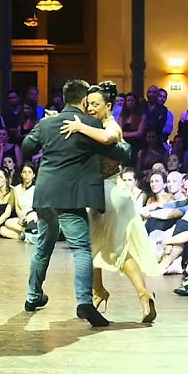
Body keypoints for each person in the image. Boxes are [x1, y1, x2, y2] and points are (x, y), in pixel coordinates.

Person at [21, 79, 129, 328]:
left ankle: (33, 296)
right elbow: (120, 153)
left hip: (45, 195)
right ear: (83, 101)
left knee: (43, 246)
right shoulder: (90, 124)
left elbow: (26, 147)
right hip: (70, 198)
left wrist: (44, 128)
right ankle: (84, 302)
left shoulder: (46, 123)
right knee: (81, 249)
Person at [59, 81, 158, 323]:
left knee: (118, 249)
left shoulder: (110, 125)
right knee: (91, 246)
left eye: (95, 104)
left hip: (112, 192)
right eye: (87, 104)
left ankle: (144, 295)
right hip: (97, 193)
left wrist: (79, 126)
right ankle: (98, 290)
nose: (90, 108)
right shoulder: (91, 123)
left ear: (108, 106)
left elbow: (108, 138)